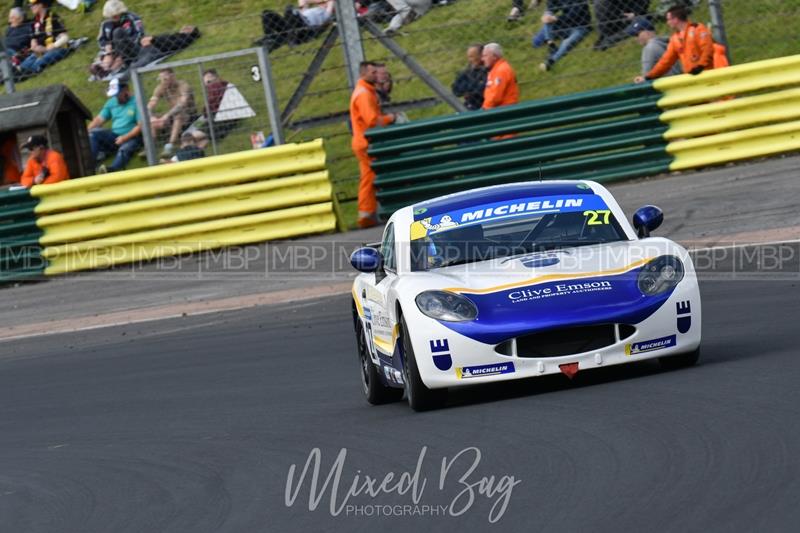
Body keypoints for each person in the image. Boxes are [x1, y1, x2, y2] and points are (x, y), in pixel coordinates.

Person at [350, 60, 396, 228]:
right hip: (366, 142)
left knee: (368, 176)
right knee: (370, 177)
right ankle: (367, 214)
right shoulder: (364, 94)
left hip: (363, 141)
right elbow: (372, 121)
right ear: (364, 74)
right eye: (373, 73)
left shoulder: (365, 90)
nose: (377, 76)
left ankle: (367, 214)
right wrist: (391, 118)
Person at [635, 5, 713, 83]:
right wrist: (649, 76)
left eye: (668, 20)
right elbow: (666, 61)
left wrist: (700, 66)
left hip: (708, 74)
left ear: (675, 19)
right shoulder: (675, 39)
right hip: (692, 77)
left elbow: (707, 49)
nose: (667, 22)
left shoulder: (698, 29)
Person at [87, 77, 143, 173]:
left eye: (117, 94)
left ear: (125, 90)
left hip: (132, 137)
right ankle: (90, 165)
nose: (116, 97)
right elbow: (99, 120)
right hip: (114, 136)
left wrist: (124, 138)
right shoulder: (111, 102)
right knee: (93, 133)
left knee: (125, 149)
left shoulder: (136, 102)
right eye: (114, 95)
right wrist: (86, 132)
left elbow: (140, 126)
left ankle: (112, 169)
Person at [147, 67, 197, 157]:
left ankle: (170, 145)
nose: (163, 81)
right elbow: (151, 104)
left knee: (178, 115)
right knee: (149, 118)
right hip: (171, 115)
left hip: (189, 115)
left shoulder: (183, 85)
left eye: (165, 79)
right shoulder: (161, 87)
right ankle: (151, 146)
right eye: (161, 79)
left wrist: (167, 115)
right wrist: (151, 117)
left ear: (173, 76)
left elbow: (182, 104)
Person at [532, 0, 592, 71]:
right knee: (536, 42)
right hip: (564, 24)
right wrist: (547, 15)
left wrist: (555, 18)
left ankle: (551, 61)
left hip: (580, 26)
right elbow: (551, 6)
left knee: (567, 42)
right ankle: (551, 44)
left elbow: (573, 14)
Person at [257, 0, 335, 52]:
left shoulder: (327, 14)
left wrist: (326, 3)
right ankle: (269, 39)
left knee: (289, 8)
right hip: (292, 25)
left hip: (304, 28)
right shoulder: (311, 9)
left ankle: (290, 38)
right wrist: (318, 2)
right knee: (267, 13)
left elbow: (331, 2)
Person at [18, 0, 69, 76]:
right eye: (30, 6)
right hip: (41, 51)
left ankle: (29, 73)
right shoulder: (34, 21)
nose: (31, 7)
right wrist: (35, 46)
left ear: (41, 4)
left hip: (57, 49)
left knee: (39, 62)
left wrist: (51, 46)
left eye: (33, 5)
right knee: (24, 64)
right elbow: (33, 41)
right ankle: (21, 73)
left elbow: (65, 38)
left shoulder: (53, 17)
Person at [95, 0, 145, 75]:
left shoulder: (132, 18)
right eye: (111, 17)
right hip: (112, 51)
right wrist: (107, 46)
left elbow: (139, 35)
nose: (113, 18)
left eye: (115, 16)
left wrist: (118, 46)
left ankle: (117, 66)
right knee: (104, 57)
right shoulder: (105, 23)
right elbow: (101, 40)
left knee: (117, 32)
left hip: (131, 48)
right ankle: (105, 69)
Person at [481, 42, 519, 110]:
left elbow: (495, 97)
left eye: (485, 56)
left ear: (494, 57)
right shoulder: (496, 69)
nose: (482, 59)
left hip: (503, 110)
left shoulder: (501, 71)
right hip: (500, 109)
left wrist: (484, 109)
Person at [452, 43, 487, 111]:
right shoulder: (467, 71)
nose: (469, 60)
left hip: (485, 106)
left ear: (481, 56)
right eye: (468, 57)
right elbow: (456, 90)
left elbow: (484, 90)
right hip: (469, 106)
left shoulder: (489, 71)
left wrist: (469, 92)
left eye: (472, 56)